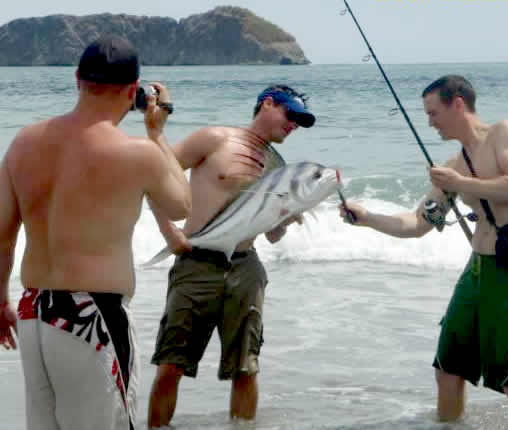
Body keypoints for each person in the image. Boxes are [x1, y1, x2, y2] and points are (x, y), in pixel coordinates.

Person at [0, 35, 191, 430]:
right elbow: (181, 205)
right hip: (91, 317)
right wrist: (157, 133)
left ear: (77, 79)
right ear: (132, 91)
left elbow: (3, 233)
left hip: (33, 310)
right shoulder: (137, 152)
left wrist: (0, 300)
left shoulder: (23, 142)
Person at [340, 75, 508, 430]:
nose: (430, 122)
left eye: (433, 112)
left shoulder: (505, 133)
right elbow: (418, 224)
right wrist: (367, 218)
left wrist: (460, 185)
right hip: (477, 270)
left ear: (458, 104)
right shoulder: (453, 164)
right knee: (448, 368)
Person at [147, 85, 315, 427]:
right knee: (171, 366)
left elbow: (271, 234)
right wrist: (169, 231)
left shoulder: (278, 167)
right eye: (290, 115)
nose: (293, 124)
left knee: (246, 369)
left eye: (299, 122)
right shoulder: (213, 138)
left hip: (245, 268)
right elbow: (153, 175)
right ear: (267, 103)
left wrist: (285, 218)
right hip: (195, 264)